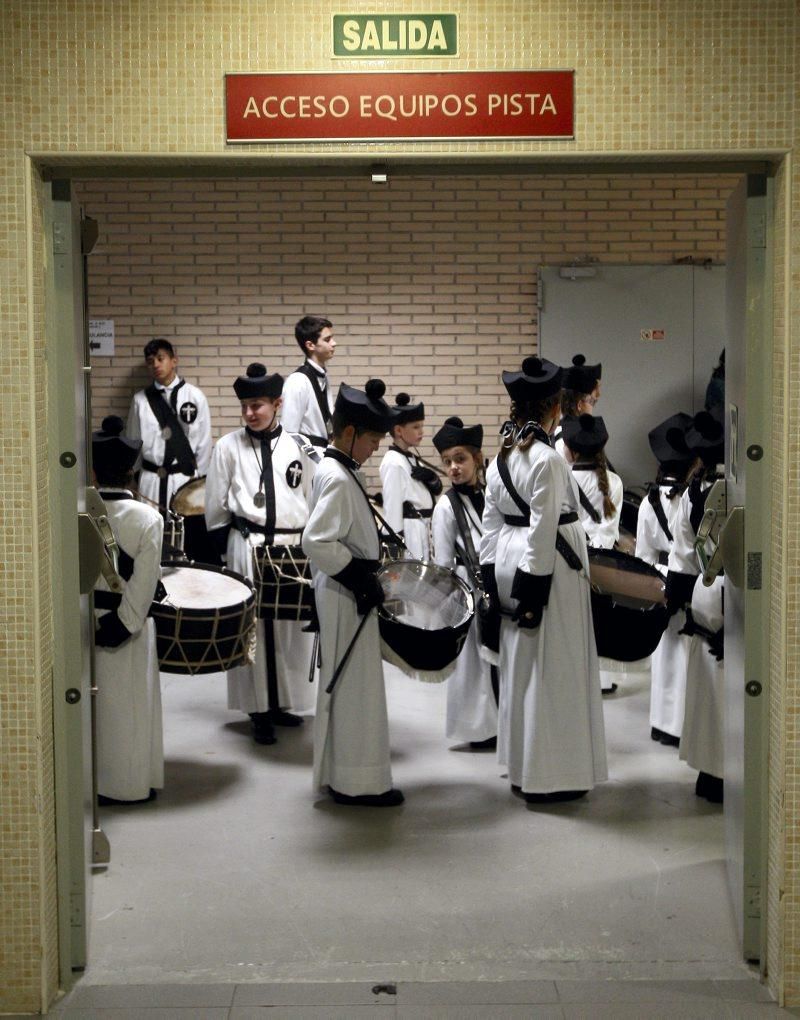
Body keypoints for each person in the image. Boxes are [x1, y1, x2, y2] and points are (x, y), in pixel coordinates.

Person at [480, 356, 607, 804]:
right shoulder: (548, 460)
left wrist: (491, 580)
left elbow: (490, 525)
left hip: (511, 563)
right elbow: (543, 527)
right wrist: (534, 591)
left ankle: (522, 766)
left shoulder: (499, 458)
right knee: (557, 666)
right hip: (548, 568)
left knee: (523, 665)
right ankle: (552, 773)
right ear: (555, 407)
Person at [302, 379, 404, 807]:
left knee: (349, 685)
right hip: (347, 592)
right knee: (355, 687)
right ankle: (358, 784)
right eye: (372, 440)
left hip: (344, 589)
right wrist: (361, 579)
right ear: (348, 434)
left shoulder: (338, 470)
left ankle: (345, 774)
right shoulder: (338, 477)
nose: (375, 449)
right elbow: (316, 541)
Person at [205, 363, 317, 746]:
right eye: (246, 406)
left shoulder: (300, 447)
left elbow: (310, 499)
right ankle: (258, 709)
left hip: (290, 549)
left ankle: (282, 703)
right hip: (247, 547)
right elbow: (215, 509)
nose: (251, 413)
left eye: (258, 405)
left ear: (278, 403)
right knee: (253, 632)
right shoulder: (228, 447)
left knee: (288, 632)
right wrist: (226, 561)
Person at [92, 416, 164, 804]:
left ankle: (98, 783)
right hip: (130, 624)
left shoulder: (78, 511)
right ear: (133, 472)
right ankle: (134, 784)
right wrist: (126, 622)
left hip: (90, 622)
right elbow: (147, 580)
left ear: (91, 469)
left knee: (99, 707)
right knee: (134, 706)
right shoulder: (149, 518)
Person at [665, 409, 726, 803]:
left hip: (705, 595)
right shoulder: (747, 487)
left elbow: (682, 556)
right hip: (736, 593)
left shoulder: (692, 492)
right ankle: (730, 770)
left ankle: (711, 771)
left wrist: (682, 602)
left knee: (708, 688)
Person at [431, 416, 498, 749]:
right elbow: (443, 562)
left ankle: (500, 722)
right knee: (472, 665)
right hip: (465, 589)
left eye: (460, 459)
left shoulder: (489, 496)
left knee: (495, 659)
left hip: (494, 584)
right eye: (447, 462)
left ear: (477, 458)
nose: (454, 467)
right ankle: (477, 730)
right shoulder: (445, 506)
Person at [635, 412, 694, 746]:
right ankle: (680, 724)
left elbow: (643, 553)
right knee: (686, 652)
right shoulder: (691, 499)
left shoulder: (647, 500)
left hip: (657, 579)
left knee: (664, 652)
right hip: (685, 578)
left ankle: (660, 722)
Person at [126, 338, 212, 513]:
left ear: (174, 360)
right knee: (150, 532)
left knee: (184, 534)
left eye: (160, 358)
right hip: (151, 479)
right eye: (150, 362)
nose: (156, 365)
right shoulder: (140, 401)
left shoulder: (194, 397)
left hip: (184, 478)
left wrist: (200, 482)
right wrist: (136, 477)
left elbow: (204, 443)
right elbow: (133, 442)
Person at [379, 393, 441, 561]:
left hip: (423, 527)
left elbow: (432, 492)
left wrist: (432, 479)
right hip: (412, 531)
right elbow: (392, 507)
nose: (421, 432)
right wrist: (395, 541)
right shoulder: (393, 462)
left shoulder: (410, 458)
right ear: (399, 430)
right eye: (415, 427)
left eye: (421, 426)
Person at [561, 414, 623, 550]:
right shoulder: (614, 481)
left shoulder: (561, 480)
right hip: (603, 560)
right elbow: (608, 532)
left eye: (565, 445)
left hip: (569, 556)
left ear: (574, 452)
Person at [280, 315, 336, 449]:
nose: (334, 343)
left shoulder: (323, 377)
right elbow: (289, 433)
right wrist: (313, 458)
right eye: (328, 339)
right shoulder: (297, 381)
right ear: (310, 345)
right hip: (307, 460)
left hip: (324, 454)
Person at [552, 354, 602, 459]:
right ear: (579, 405)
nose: (598, 395)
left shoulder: (564, 433)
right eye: (592, 399)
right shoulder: (567, 442)